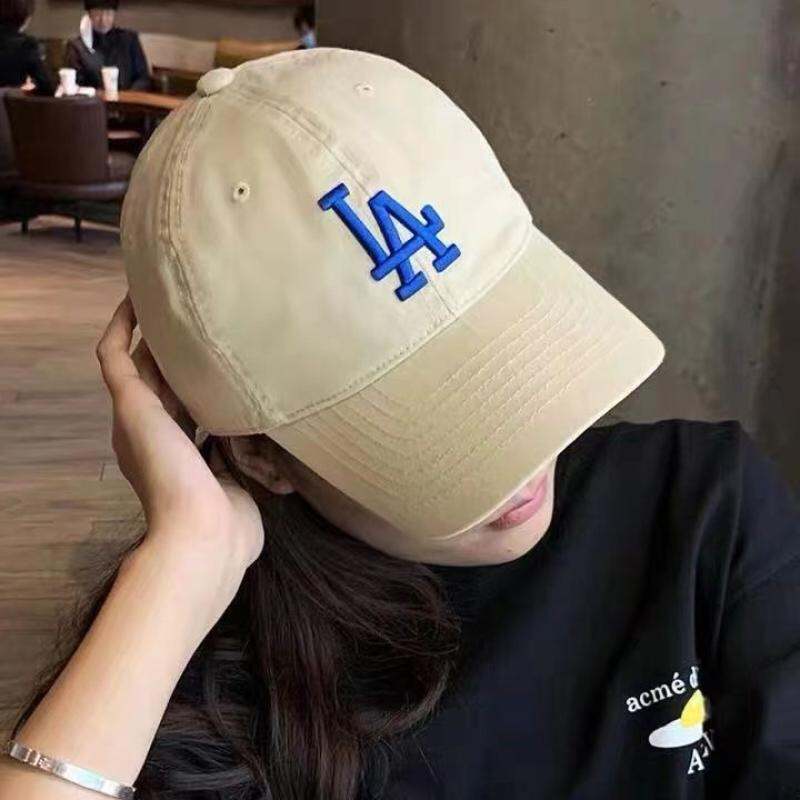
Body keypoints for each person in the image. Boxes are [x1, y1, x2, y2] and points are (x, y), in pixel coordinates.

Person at [1, 49, 798, 800]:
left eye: (508, 338)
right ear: (262, 457)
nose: (521, 446)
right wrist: (182, 563)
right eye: (424, 409)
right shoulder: (220, 682)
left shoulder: (704, 510)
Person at [64, 0, 150, 91]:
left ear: (114, 14)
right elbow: (75, 84)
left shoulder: (129, 40)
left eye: (108, 14)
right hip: (93, 99)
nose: (103, 20)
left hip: (128, 97)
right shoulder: (77, 47)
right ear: (89, 15)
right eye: (97, 14)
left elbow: (143, 78)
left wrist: (127, 96)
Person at [0, 0, 55, 95]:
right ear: (26, 17)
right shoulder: (26, 44)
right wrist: (28, 89)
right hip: (10, 103)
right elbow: (47, 87)